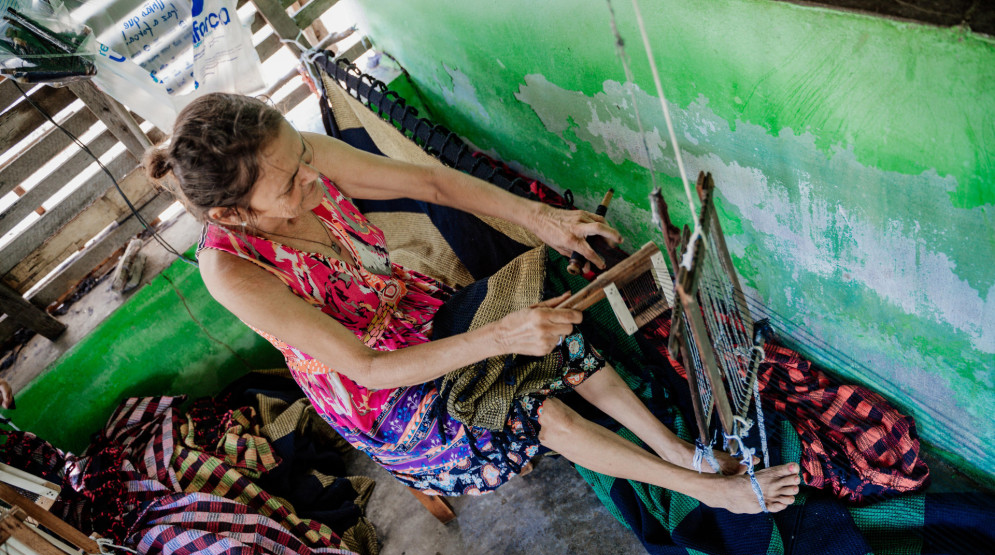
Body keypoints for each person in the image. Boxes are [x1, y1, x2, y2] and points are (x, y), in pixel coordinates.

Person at [144, 93, 800, 514]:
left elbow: (430, 180)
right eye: (292, 181)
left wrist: (541, 220)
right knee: (533, 405)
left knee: (558, 323)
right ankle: (709, 491)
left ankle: (676, 450)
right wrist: (499, 338)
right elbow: (365, 370)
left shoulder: (300, 161)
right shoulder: (231, 270)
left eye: (304, 154)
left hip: (417, 319)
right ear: (237, 213)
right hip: (384, 394)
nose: (315, 176)